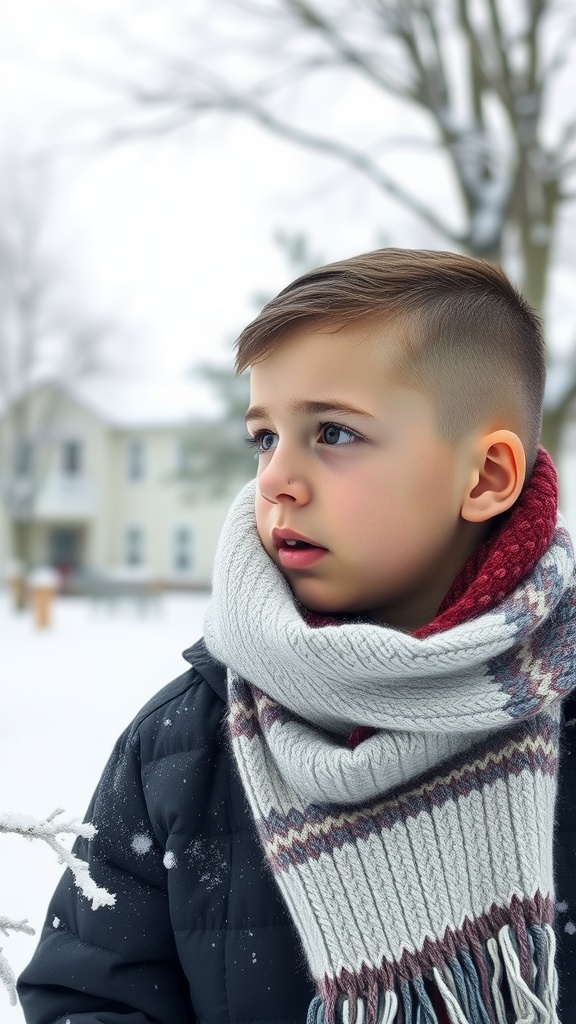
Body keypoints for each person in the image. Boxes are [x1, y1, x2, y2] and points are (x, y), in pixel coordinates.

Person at [18, 248, 576, 1024]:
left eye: (335, 433)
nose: (276, 477)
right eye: (264, 437)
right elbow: (90, 998)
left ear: (484, 478)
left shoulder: (562, 705)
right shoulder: (182, 745)